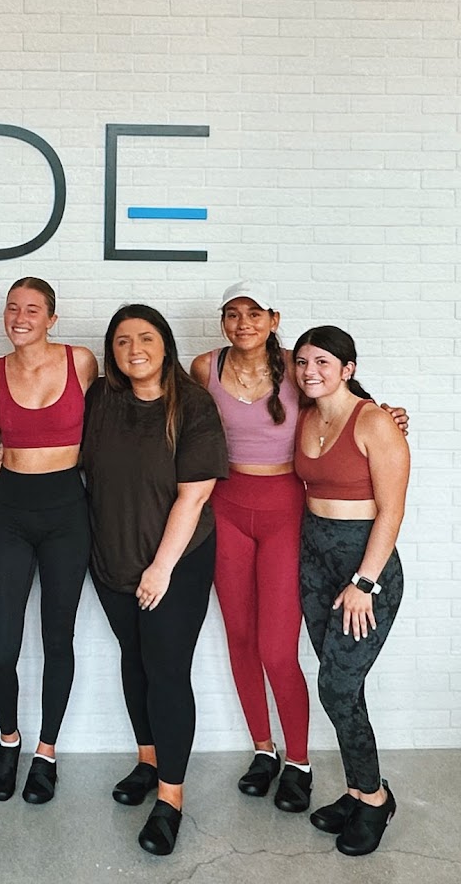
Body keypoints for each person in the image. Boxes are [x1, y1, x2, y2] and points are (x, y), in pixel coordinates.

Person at [190, 281, 409, 813]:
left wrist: (390, 417)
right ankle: (263, 750)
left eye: (254, 313)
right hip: (227, 508)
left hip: (287, 514)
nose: (243, 323)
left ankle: (299, 762)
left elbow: (347, 407)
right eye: (232, 313)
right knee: (240, 638)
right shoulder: (203, 368)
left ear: (274, 318)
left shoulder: (298, 366)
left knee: (276, 648)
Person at [83, 304, 228, 856]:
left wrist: (161, 568)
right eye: (122, 341)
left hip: (176, 562)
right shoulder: (102, 397)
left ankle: (171, 798)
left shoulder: (193, 403)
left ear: (165, 344)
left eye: (145, 338)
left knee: (166, 671)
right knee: (135, 659)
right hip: (113, 557)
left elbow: (195, 496)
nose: (134, 349)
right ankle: (148, 761)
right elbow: (62, 446)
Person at [0, 277, 99, 804]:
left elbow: (116, 419)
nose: (20, 318)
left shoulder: (82, 362)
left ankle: (46, 751)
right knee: (0, 647)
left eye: (32, 309)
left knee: (56, 638)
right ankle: (9, 739)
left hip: (68, 509)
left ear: (52, 318)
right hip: (13, 510)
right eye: (12, 308)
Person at [293, 326, 408, 857]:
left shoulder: (375, 421)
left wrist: (365, 581)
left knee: (336, 689)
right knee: (344, 687)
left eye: (323, 361)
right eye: (302, 362)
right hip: (315, 562)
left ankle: (377, 799)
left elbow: (392, 511)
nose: (310, 371)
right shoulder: (305, 415)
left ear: (348, 369)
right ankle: (358, 790)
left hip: (365, 569)